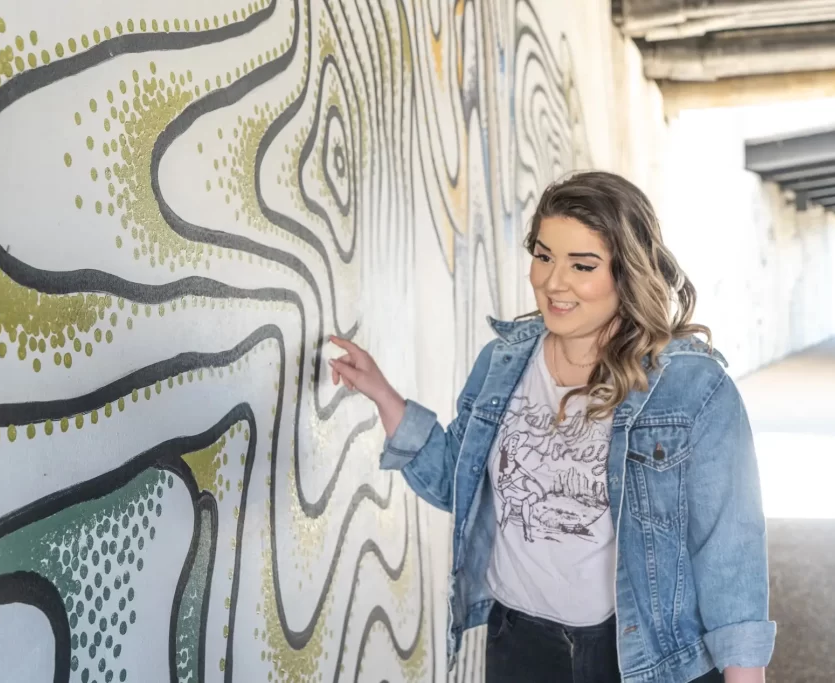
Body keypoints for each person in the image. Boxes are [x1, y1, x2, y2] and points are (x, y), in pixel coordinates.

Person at [328, 171, 775, 683]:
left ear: (626, 273)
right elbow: (461, 481)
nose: (552, 282)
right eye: (543, 256)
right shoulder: (503, 361)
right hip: (519, 644)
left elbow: (729, 551)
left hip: (639, 656)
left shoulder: (693, 388)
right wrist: (386, 397)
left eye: (582, 265)